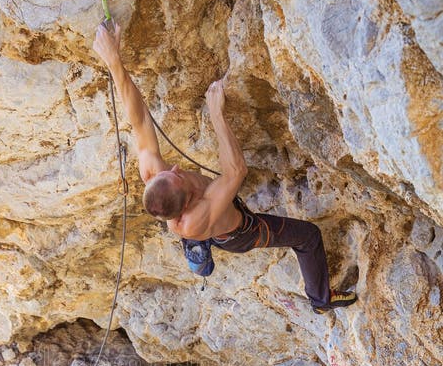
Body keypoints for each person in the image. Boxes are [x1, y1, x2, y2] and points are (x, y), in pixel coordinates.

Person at [92, 22, 357, 315]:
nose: (178, 167)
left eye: (171, 172)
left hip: (202, 216)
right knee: (308, 236)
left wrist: (114, 61)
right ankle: (320, 300)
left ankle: (197, 245)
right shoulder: (194, 217)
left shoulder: (155, 175)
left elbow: (139, 119)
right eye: (178, 175)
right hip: (241, 232)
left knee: (200, 216)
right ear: (189, 201)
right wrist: (217, 114)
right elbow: (236, 172)